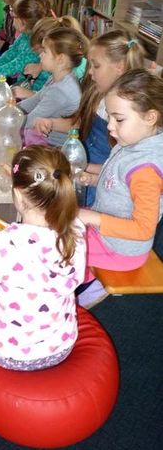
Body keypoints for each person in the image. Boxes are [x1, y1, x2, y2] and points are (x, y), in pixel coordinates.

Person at [0, 145, 86, 370]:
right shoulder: (75, 231)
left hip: (7, 353)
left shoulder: (2, 244)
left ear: (16, 194)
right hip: (61, 347)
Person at [77, 69, 163, 307]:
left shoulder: (146, 169)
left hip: (119, 249)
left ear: (150, 117)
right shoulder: (135, 142)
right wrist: (91, 178)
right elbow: (117, 179)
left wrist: (90, 217)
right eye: (110, 118)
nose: (109, 126)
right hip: (106, 232)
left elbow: (143, 229)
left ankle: (81, 291)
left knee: (58, 247)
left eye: (119, 119)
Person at [33, 30, 146, 206]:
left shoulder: (129, 114)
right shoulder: (97, 93)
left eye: (96, 66)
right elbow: (78, 123)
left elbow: (121, 169)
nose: (90, 72)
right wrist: (51, 123)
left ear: (120, 67)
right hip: (81, 165)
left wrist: (80, 168)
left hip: (99, 183)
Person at [19, 27, 88, 147]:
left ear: (60, 59)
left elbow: (29, 121)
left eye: (45, 51)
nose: (40, 55)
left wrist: (2, 119)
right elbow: (33, 101)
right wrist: (9, 109)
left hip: (52, 147)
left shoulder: (60, 91)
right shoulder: (56, 78)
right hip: (41, 138)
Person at [11, 15, 86, 100]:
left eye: (44, 51)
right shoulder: (63, 63)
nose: (40, 56)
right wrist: (40, 67)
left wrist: (30, 94)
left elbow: (56, 101)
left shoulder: (72, 73)